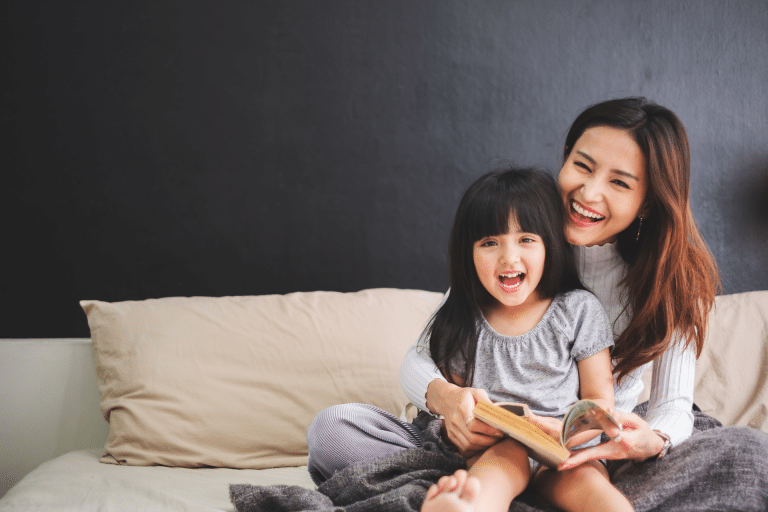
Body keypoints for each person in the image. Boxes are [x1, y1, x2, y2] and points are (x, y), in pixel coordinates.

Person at [307, 97, 768, 510]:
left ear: (648, 202)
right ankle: (482, 494)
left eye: (620, 183)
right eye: (582, 166)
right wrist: (450, 405)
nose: (589, 193)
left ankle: (482, 494)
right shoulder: (516, 242)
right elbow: (423, 358)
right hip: (478, 440)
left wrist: (649, 439)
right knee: (333, 431)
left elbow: (668, 406)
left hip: (587, 448)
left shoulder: (665, 286)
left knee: (747, 456)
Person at [414, 167, 632, 512]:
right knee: (496, 471)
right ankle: (466, 507)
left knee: (593, 488)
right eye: (489, 243)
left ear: (551, 244)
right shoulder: (463, 320)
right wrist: (460, 431)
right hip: (499, 447)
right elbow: (454, 404)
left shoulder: (577, 309)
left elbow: (600, 403)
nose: (509, 257)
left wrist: (563, 431)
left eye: (526, 239)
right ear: (467, 254)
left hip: (564, 448)